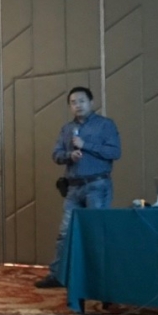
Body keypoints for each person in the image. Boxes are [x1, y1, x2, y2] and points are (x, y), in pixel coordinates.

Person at [36, 86, 122, 289]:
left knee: (96, 234)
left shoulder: (105, 125)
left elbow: (115, 152)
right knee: (64, 234)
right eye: (73, 102)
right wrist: (69, 156)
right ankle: (58, 276)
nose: (78, 105)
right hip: (73, 189)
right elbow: (56, 154)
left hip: (97, 186)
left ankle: (98, 280)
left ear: (91, 102)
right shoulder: (66, 129)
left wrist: (86, 145)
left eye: (82, 101)